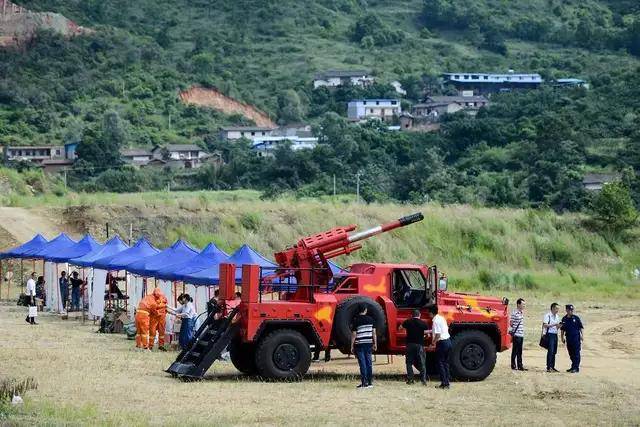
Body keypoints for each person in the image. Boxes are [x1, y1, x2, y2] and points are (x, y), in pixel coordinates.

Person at [350, 305, 377, 388]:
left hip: (359, 344)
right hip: (369, 344)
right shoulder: (371, 319)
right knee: (369, 363)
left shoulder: (356, 320)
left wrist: (351, 346)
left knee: (362, 364)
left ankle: (364, 383)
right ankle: (370, 383)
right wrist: (375, 343)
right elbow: (374, 333)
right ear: (365, 310)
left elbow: (354, 334)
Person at [400, 309, 429, 385]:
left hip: (410, 344)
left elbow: (400, 327)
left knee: (409, 363)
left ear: (411, 315)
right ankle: (423, 380)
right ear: (420, 315)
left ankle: (410, 380)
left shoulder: (408, 322)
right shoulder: (423, 323)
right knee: (422, 363)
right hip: (419, 345)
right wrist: (424, 336)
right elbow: (427, 335)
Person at [429, 305, 451, 389]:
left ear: (431, 313)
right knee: (445, 363)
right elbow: (441, 330)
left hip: (442, 343)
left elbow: (438, 335)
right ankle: (447, 382)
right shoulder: (441, 318)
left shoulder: (435, 321)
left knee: (440, 363)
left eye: (429, 313)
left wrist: (433, 343)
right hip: (448, 341)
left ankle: (444, 383)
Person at [561, 304, 584, 373]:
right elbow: (562, 329)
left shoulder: (576, 318)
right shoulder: (564, 319)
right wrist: (562, 337)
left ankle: (576, 367)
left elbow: (580, 328)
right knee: (570, 353)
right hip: (568, 338)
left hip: (576, 338)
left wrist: (582, 335)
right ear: (567, 310)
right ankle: (573, 366)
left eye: (572, 310)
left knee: (576, 353)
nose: (571, 311)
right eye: (570, 310)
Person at [542, 302, 561, 372]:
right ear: (553, 308)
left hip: (555, 334)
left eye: (558, 309)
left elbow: (556, 327)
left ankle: (553, 366)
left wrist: (559, 326)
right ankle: (549, 366)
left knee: (554, 351)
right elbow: (545, 325)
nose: (557, 310)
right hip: (549, 334)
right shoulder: (548, 315)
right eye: (556, 308)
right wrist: (554, 324)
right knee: (550, 351)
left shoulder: (557, 316)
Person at [510, 298, 526, 371]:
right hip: (516, 335)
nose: (524, 306)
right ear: (518, 304)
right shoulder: (514, 313)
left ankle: (520, 365)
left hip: (521, 334)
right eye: (523, 304)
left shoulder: (521, 312)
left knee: (520, 351)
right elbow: (511, 323)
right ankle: (513, 365)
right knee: (515, 350)